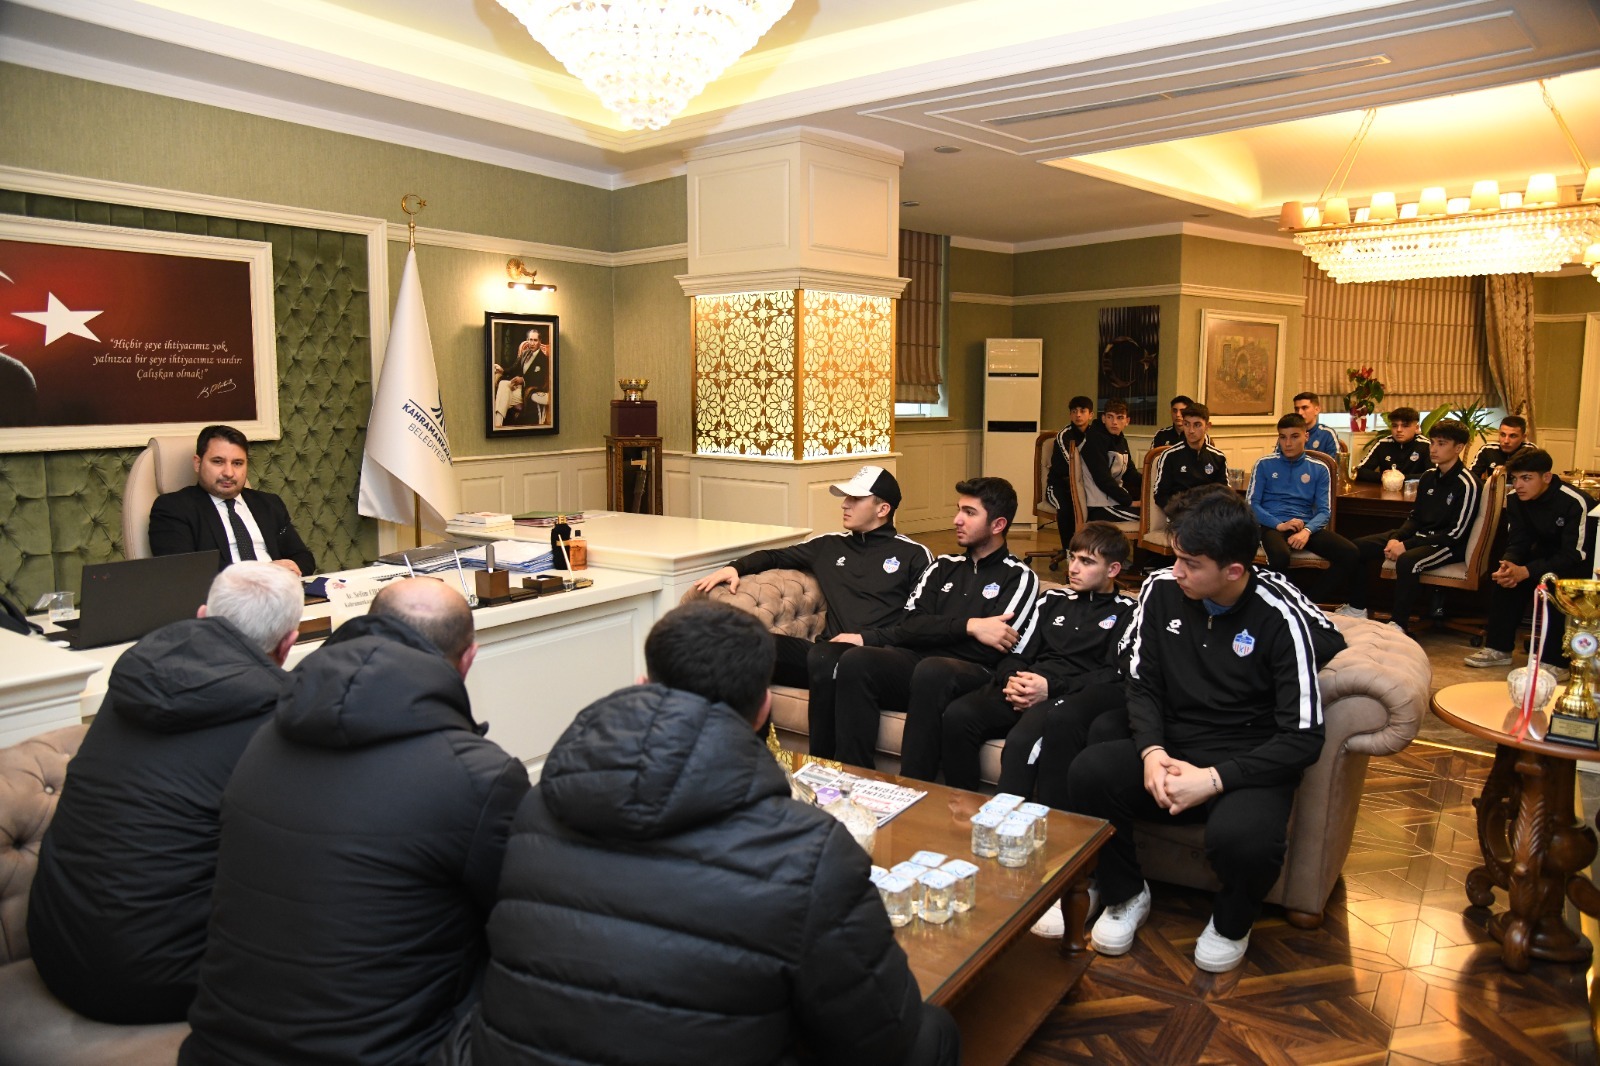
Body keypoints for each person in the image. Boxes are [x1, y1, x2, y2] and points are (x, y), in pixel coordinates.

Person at [438, 601, 959, 1066]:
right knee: (932, 1031)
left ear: (644, 684)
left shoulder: (537, 805)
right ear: (763, 709)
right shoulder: (809, 850)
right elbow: (881, 1038)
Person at [180, 578, 530, 1066]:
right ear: (468, 660)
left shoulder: (265, 738)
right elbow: (524, 922)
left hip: (220, 1048)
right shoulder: (480, 776)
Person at [1068, 485, 1346, 973]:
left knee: (1245, 839)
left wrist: (1213, 780)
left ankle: (1232, 920)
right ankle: (1125, 892)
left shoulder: (1280, 616)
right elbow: (1142, 684)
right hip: (1176, 741)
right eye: (1177, 557)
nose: (1176, 571)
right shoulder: (1161, 590)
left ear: (1233, 570)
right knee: (1090, 772)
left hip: (1247, 756)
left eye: (1191, 564)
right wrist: (1152, 752)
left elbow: (1303, 738)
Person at [26, 563, 302, 1024]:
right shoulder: (275, 720)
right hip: (157, 981)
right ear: (289, 643)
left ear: (202, 615)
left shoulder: (135, 678)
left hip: (55, 948)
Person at [692, 465, 931, 755]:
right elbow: (775, 556)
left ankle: (823, 765)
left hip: (877, 659)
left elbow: (922, 623)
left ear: (883, 509)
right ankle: (738, 753)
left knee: (828, 656)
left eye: (855, 499)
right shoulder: (829, 545)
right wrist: (735, 567)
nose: (844, 504)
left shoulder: (914, 554)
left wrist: (867, 639)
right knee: (744, 643)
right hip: (825, 653)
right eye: (846, 497)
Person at [831, 477, 1041, 771]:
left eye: (969, 513)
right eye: (958, 510)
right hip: (920, 665)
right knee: (857, 660)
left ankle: (913, 784)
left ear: (998, 525)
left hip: (976, 675)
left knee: (934, 669)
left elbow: (993, 649)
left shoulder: (1019, 577)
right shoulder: (942, 566)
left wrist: (934, 631)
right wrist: (971, 626)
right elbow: (909, 626)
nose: (957, 520)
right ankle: (853, 775)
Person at [966, 521, 1136, 799]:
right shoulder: (1052, 600)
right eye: (1072, 557)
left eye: (1086, 561)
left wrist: (1050, 688)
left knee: (1021, 742)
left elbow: (1113, 674)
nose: (1074, 568)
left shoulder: (1128, 611)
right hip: (1026, 687)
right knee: (961, 716)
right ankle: (957, 807)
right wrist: (1012, 680)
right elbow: (1017, 653)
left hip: (1067, 697)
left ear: (1113, 569)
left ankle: (1006, 821)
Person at [1465, 449, 1596, 676]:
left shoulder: (1576, 502)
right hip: (1537, 558)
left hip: (1575, 565)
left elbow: (1574, 554)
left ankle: (1555, 662)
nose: (1518, 485)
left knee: (1556, 587)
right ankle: (1498, 649)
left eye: (1526, 478)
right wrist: (1509, 564)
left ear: (1546, 477)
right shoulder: (1514, 499)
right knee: (1505, 580)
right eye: (1515, 478)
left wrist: (1526, 571)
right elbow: (1518, 540)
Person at [1349, 420, 1479, 631]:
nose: (1433, 449)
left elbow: (1455, 534)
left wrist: (1406, 546)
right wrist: (1397, 538)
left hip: (1448, 545)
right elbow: (1415, 517)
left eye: (1441, 444)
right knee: (1358, 546)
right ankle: (1356, 607)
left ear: (1458, 448)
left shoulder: (1467, 483)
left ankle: (1398, 623)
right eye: (1433, 442)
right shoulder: (1428, 476)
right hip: (1421, 536)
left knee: (1408, 560)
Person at [148, 424, 316, 575]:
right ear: (198, 464)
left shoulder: (268, 504)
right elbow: (184, 571)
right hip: (223, 598)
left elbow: (303, 557)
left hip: (281, 593)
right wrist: (262, 573)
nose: (228, 473)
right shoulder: (174, 508)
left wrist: (292, 567)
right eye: (218, 462)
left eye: (237, 463)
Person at [1249, 414, 1363, 608]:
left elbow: (1324, 511)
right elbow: (1252, 505)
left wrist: (1307, 531)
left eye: (1294, 436)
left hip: (1304, 525)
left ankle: (1307, 603)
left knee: (1351, 553)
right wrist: (1280, 524)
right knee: (1280, 556)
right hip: (1272, 525)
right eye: (1283, 437)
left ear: (1306, 436)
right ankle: (1282, 605)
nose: (1288, 443)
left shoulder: (1319, 468)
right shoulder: (1264, 464)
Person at [1151, 401, 1228, 510]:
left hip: (1208, 514)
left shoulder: (1218, 457)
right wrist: (1182, 509)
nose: (1191, 430)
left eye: (1197, 425)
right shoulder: (1169, 456)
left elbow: (1224, 494)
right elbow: (1160, 495)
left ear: (1207, 426)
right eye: (1187, 424)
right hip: (1180, 513)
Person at [1045, 394, 1097, 546]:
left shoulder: (1096, 434)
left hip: (1086, 484)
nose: (1078, 415)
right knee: (1066, 509)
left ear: (1091, 414)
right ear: (1070, 415)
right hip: (1060, 485)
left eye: (1082, 411)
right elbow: (1075, 464)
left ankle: (1090, 548)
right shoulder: (1064, 435)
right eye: (1074, 411)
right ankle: (1069, 550)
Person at [1080, 400, 1141, 522]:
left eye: (1120, 418)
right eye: (1110, 417)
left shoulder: (1121, 440)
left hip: (1115, 501)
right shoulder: (1095, 440)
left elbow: (1130, 473)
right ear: (1103, 419)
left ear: (1127, 421)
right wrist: (1129, 502)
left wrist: (1153, 484)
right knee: (1149, 518)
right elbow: (1103, 479)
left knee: (1154, 511)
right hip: (1099, 505)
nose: (1114, 422)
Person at [1353, 407, 1431, 483]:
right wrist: (1384, 477)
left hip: (1415, 490)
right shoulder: (1383, 444)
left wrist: (1401, 478)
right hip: (1386, 490)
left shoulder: (1425, 445)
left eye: (1405, 426)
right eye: (1394, 426)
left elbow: (1433, 474)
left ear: (1416, 428)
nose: (1399, 430)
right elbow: (1359, 471)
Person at [1470, 415, 1536, 479]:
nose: (1506, 441)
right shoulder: (1487, 450)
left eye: (1512, 436)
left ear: (1523, 437)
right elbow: (1471, 478)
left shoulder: (1531, 452)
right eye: (1503, 435)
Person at [1290, 392, 1341, 458]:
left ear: (1317, 410)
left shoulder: (1327, 433)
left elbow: (1334, 461)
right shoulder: (1289, 432)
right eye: (1297, 409)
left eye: (1304, 408)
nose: (1300, 413)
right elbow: (1278, 458)